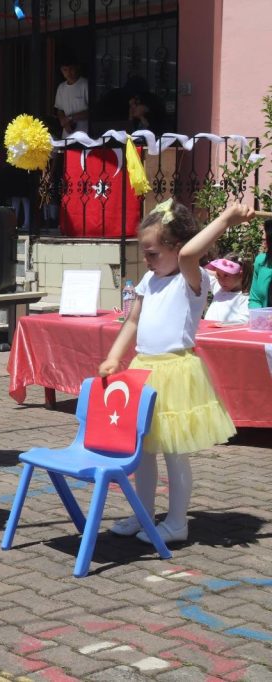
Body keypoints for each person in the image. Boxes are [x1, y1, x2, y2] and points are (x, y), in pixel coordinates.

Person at [99, 200, 248, 544]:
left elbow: (189, 255)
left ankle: (178, 523)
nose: (147, 260)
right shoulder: (150, 279)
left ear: (176, 247)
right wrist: (113, 357)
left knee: (174, 453)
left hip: (177, 372)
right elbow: (132, 320)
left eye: (151, 253)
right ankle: (144, 513)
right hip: (144, 370)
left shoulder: (191, 279)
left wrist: (226, 219)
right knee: (144, 452)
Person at [203, 254, 251, 325]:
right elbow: (200, 273)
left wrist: (223, 324)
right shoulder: (219, 288)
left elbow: (245, 320)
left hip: (224, 334)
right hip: (206, 331)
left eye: (226, 276)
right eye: (218, 275)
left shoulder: (245, 297)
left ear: (241, 275)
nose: (221, 280)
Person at [55, 58, 89, 138]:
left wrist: (70, 118)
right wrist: (63, 121)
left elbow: (92, 111)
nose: (69, 73)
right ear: (61, 71)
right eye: (65, 70)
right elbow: (59, 109)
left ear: (77, 68)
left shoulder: (85, 84)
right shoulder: (61, 87)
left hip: (85, 135)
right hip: (67, 135)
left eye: (71, 69)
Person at [248, 220, 272, 309]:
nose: (263, 237)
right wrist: (260, 318)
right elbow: (255, 299)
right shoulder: (261, 261)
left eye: (267, 234)